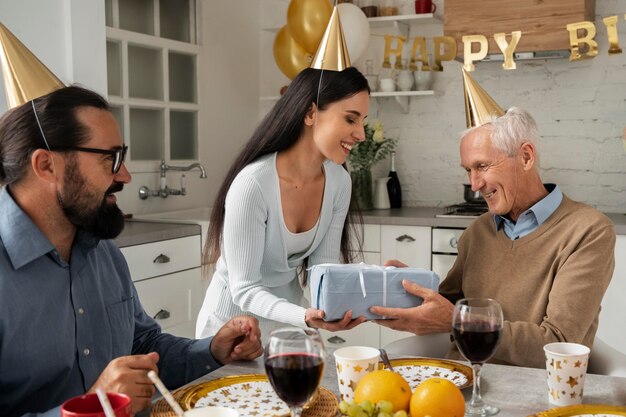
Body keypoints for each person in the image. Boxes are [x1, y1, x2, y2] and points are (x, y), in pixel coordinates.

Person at [0, 86, 263, 417]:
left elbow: (144, 348)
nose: (124, 175)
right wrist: (91, 408)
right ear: (45, 165)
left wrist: (211, 350)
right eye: (109, 158)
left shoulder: (103, 252)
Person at [371, 107, 616, 368]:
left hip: (537, 392)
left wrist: (456, 319)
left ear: (525, 157)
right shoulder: (477, 231)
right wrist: (406, 291)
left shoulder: (588, 230)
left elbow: (559, 343)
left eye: (482, 166)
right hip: (461, 380)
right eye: (468, 170)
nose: (475, 185)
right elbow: (448, 306)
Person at [196, 66, 371, 339]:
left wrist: (369, 289)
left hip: (290, 324)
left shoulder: (339, 182)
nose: (361, 134)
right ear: (311, 113)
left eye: (363, 122)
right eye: (351, 119)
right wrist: (304, 317)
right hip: (231, 329)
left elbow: (322, 270)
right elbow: (244, 290)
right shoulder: (253, 185)